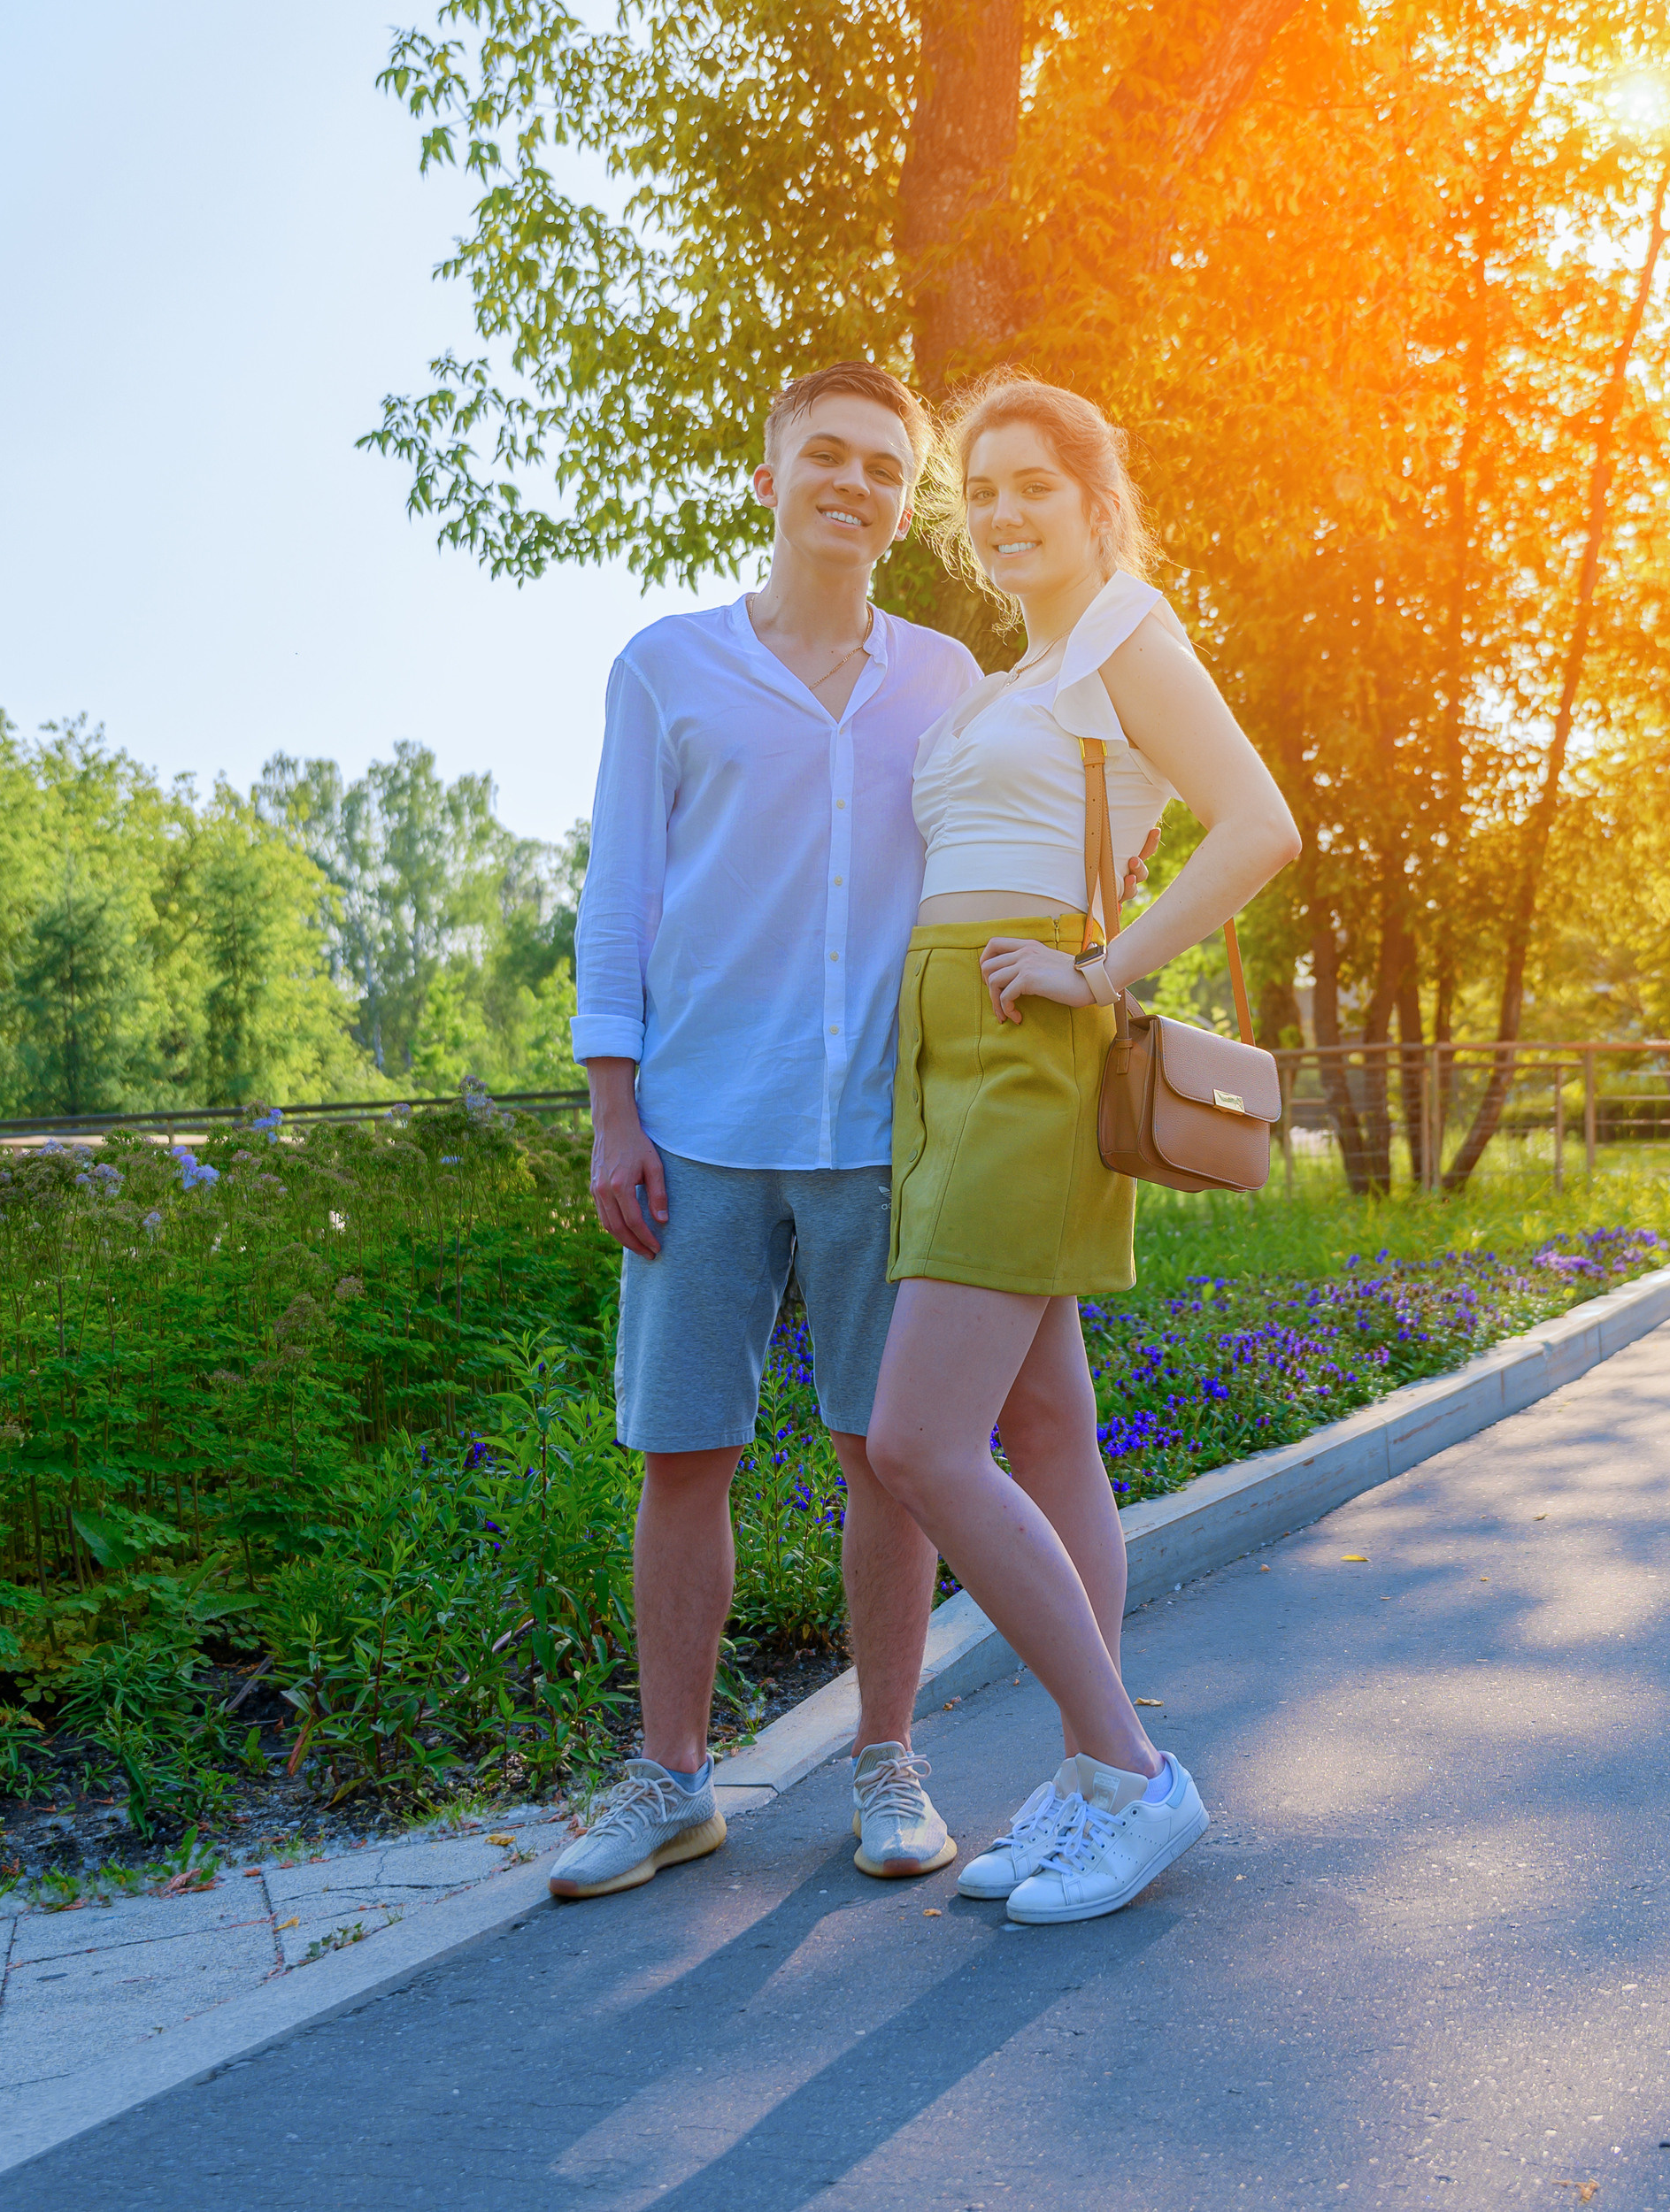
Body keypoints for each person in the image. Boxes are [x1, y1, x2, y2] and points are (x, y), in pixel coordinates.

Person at [865, 371, 1302, 1926]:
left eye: (1029, 487)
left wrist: (1102, 975)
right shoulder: (999, 680)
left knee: (920, 1444)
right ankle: (1077, 1777)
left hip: (1031, 1044)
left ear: (1092, 497)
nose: (1000, 517)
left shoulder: (1123, 627)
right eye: (978, 495)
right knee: (1048, 1437)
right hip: (944, 1052)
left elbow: (1257, 824)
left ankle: (1132, 1771)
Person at [546, 362, 985, 1900]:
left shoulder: (947, 683)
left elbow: (997, 862)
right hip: (697, 1122)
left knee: (890, 1458)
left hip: (880, 1134)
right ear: (770, 475)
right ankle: (672, 1782)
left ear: (903, 503)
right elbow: (622, 896)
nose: (850, 484)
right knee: (686, 1455)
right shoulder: (665, 668)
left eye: (881, 466)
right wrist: (615, 1107)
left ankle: (886, 1767)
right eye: (825, 457)